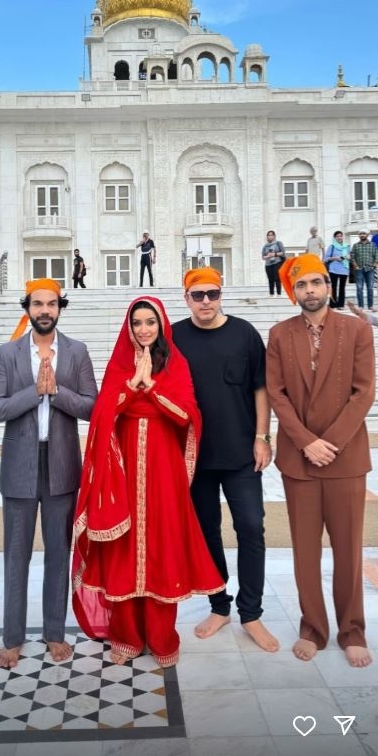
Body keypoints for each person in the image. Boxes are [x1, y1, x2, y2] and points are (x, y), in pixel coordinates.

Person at [72, 297, 224, 666]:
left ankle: (161, 637)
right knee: (123, 548)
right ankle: (126, 635)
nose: (143, 329)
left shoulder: (177, 363)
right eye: (137, 323)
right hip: (121, 465)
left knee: (162, 545)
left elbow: (186, 414)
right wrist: (130, 387)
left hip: (162, 465)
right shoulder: (118, 362)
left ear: (161, 325)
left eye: (150, 322)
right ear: (129, 327)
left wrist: (150, 387)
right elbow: (104, 410)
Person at [267, 254, 374, 667]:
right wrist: (307, 442)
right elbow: (277, 394)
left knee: (348, 549)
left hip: (345, 458)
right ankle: (312, 627)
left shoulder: (357, 329)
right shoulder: (280, 334)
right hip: (300, 461)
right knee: (305, 550)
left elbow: (364, 392)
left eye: (316, 282)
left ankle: (352, 630)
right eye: (301, 285)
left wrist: (329, 442)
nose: (309, 290)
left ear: (328, 285)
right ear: (292, 291)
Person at [0, 278, 97, 667]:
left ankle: (54, 632)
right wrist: (35, 392)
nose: (44, 310)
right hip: (19, 466)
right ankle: (12, 638)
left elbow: (91, 408)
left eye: (51, 304)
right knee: (16, 555)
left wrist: (56, 392)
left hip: (62, 465)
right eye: (37, 304)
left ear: (60, 308)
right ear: (27, 308)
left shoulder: (78, 352)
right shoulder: (8, 353)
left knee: (57, 552)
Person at [172, 267, 279, 652]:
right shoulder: (175, 336)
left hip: (241, 454)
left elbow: (261, 388)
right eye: (198, 295)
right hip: (195, 457)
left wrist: (262, 437)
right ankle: (220, 606)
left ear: (221, 295)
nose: (205, 302)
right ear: (186, 298)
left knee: (251, 527)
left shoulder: (244, 333)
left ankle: (251, 613)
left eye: (212, 294)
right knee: (207, 532)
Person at [350, 228, 378, 310]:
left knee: (370, 288)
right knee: (359, 288)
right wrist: (355, 265)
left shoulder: (372, 245)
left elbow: (376, 256)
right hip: (359, 270)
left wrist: (374, 265)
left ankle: (370, 306)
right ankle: (360, 306)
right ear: (359, 235)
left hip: (370, 269)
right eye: (361, 234)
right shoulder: (355, 245)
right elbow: (352, 256)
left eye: (364, 234)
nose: (362, 235)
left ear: (367, 235)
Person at [324, 230, 350, 309]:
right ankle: (333, 304)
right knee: (334, 287)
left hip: (344, 269)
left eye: (340, 236)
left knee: (342, 288)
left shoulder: (347, 246)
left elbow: (350, 257)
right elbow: (326, 258)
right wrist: (336, 258)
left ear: (343, 237)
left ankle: (340, 305)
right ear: (335, 238)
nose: (339, 237)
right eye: (337, 236)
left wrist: (349, 257)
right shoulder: (332, 246)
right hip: (333, 269)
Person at [261, 230, 286, 296]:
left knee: (277, 278)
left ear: (274, 236)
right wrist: (268, 256)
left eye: (271, 235)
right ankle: (271, 294)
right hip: (268, 264)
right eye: (268, 235)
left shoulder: (278, 243)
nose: (270, 236)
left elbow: (283, 253)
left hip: (277, 263)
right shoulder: (265, 246)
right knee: (270, 279)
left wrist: (274, 254)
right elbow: (263, 257)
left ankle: (278, 294)